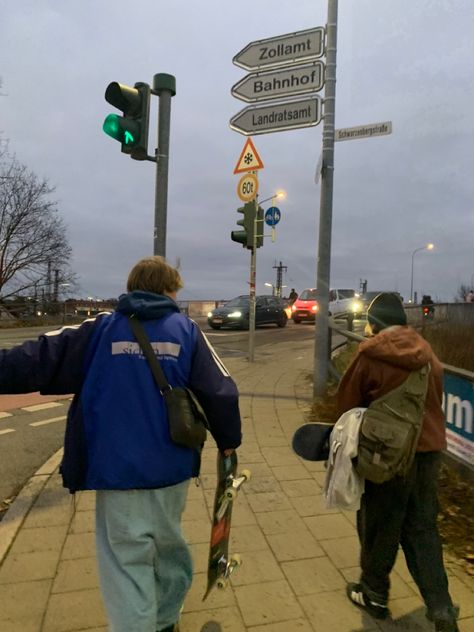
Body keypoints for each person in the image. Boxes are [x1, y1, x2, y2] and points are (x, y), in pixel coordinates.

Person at [0, 256, 242, 632]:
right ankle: (164, 621)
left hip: (116, 470)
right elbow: (220, 392)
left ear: (132, 288)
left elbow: (37, 357)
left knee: (127, 560)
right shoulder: (186, 331)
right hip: (172, 466)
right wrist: (229, 442)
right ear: (170, 289)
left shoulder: (99, 330)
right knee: (168, 548)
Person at [337, 292, 458, 632]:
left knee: (380, 525)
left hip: (387, 457)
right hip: (429, 453)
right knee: (422, 529)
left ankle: (373, 594)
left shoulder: (371, 354)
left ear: (374, 326)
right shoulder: (428, 354)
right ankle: (442, 609)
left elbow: (347, 404)